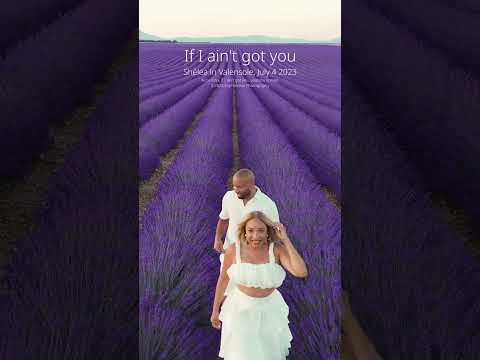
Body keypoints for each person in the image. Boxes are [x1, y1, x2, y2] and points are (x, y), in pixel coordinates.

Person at [210, 211, 308, 360]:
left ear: (268, 231)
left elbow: (301, 272)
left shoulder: (276, 250)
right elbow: (223, 280)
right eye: (250, 230)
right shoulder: (233, 251)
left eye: (261, 230)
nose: (255, 236)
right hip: (240, 311)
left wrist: (285, 240)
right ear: (244, 231)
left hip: (269, 311)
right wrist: (215, 310)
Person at [214, 168, 279, 296]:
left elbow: (275, 233)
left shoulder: (267, 205)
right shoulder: (229, 197)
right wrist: (217, 238)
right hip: (230, 255)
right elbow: (223, 219)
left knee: (250, 297)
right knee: (227, 294)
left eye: (240, 187)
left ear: (251, 185)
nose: (236, 190)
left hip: (254, 261)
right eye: (234, 186)